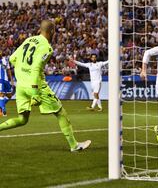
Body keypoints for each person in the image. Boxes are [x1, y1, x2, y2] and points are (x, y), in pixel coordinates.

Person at [0, 20, 91, 152]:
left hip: (21, 85)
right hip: (36, 86)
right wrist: (35, 93)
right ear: (52, 32)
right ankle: (74, 145)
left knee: (22, 119)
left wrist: (23, 71)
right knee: (60, 113)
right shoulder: (46, 48)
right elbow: (36, 68)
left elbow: (13, 58)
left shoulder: (29, 40)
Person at [0, 52, 15, 116]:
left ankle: (1, 106)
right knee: (1, 95)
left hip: (5, 80)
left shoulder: (5, 60)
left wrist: (11, 80)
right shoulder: (5, 59)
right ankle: (3, 110)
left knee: (10, 95)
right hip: (1, 80)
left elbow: (8, 70)